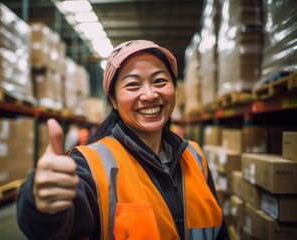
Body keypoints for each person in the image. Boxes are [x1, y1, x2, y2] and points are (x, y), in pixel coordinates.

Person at [16, 40, 229, 240]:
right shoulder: (92, 164)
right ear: (113, 100)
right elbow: (56, 227)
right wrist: (39, 203)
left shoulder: (194, 156)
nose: (150, 95)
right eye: (133, 85)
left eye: (160, 81)